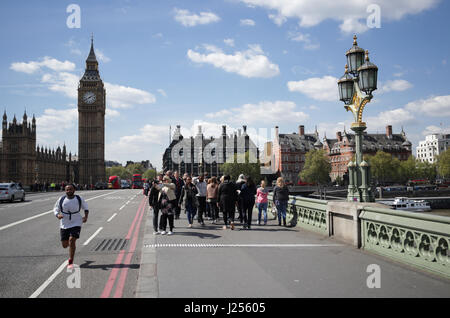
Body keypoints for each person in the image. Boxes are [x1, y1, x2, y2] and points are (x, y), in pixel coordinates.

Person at [54, 184, 89, 268]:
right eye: (67, 189)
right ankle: (71, 247)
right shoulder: (61, 199)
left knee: (72, 240)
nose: (69, 191)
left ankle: (70, 261)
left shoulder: (79, 198)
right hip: (64, 223)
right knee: (65, 245)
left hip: (76, 221)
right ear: (65, 190)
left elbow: (86, 208)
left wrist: (85, 217)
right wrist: (57, 215)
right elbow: (55, 209)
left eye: (70, 189)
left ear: (74, 190)